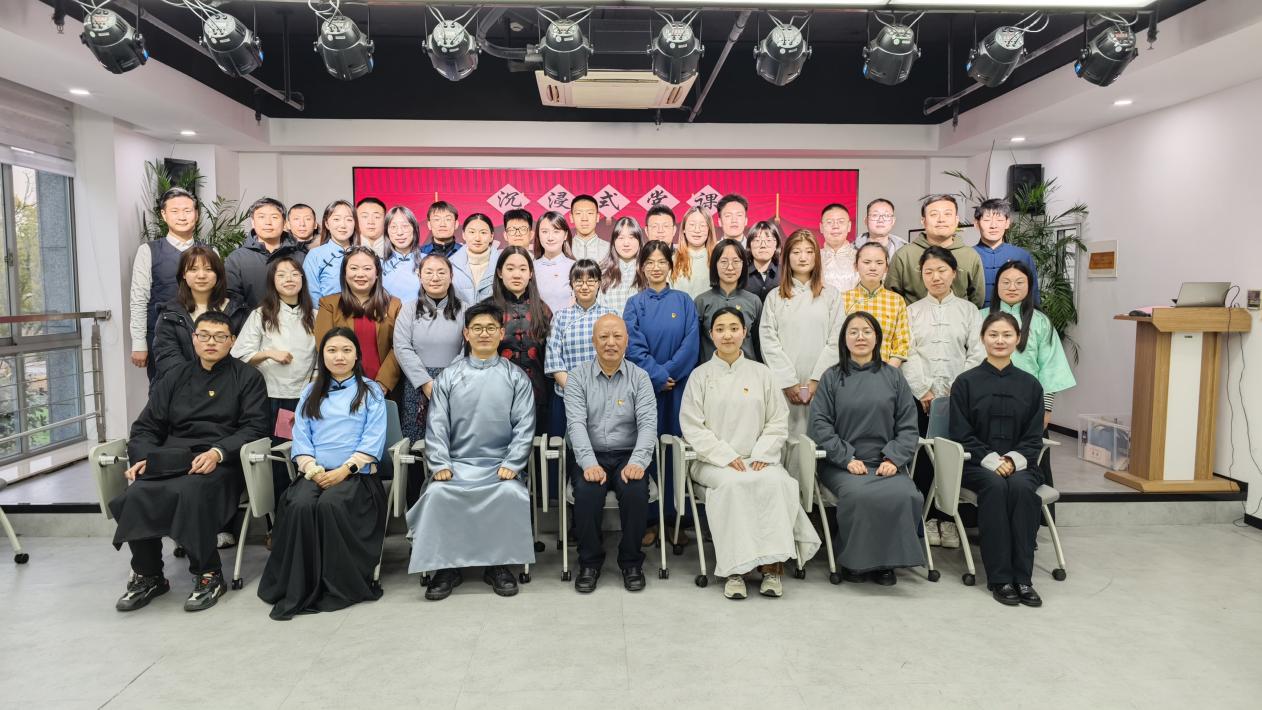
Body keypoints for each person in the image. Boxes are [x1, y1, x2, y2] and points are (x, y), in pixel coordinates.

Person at [110, 311, 269, 613]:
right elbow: (146, 427)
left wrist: (218, 452)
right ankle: (149, 574)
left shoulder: (248, 378)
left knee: (192, 493)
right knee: (136, 494)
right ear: (194, 339)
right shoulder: (174, 377)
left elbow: (255, 428)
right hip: (172, 458)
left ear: (232, 341)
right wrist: (144, 458)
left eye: (220, 336)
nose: (211, 342)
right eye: (204, 335)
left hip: (222, 462)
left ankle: (209, 573)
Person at [679, 308, 820, 600]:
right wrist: (724, 455)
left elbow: (777, 421)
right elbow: (692, 426)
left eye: (734, 328)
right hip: (712, 462)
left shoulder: (762, 373)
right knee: (734, 486)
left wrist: (762, 454)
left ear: (744, 333)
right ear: (711, 335)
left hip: (758, 458)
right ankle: (735, 570)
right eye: (720, 329)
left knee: (777, 482)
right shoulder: (700, 376)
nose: (727, 335)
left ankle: (771, 568)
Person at [406, 302, 536, 600]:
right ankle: (446, 567)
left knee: (509, 493)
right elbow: (436, 424)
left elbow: (525, 425)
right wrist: (440, 463)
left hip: (500, 466)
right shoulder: (448, 377)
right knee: (438, 494)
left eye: (490, 328)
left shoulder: (516, 377)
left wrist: (513, 462)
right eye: (477, 328)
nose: (484, 334)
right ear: (466, 334)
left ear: (501, 333)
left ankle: (498, 565)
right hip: (456, 464)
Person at [257, 327, 388, 620]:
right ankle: (298, 585)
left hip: (356, 475)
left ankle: (338, 585)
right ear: (322, 356)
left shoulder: (371, 391)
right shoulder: (310, 390)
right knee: (300, 504)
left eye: (346, 350)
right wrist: (312, 469)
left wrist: (344, 470)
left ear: (357, 355)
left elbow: (373, 439)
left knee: (331, 505)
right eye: (332, 350)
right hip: (315, 472)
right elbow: (301, 438)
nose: (339, 356)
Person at [809, 311, 924, 585]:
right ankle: (855, 562)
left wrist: (894, 459)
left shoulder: (894, 377)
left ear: (877, 337)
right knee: (859, 495)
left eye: (867, 331)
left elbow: (909, 425)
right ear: (844, 339)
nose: (860, 337)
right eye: (853, 332)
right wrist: (846, 458)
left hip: (885, 463)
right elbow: (820, 424)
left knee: (906, 493)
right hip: (841, 464)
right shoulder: (831, 377)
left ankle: (887, 563)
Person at [949, 312, 1047, 607]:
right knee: (994, 487)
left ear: (1017, 339)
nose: (1000, 341)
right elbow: (960, 433)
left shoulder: (1031, 385)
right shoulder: (965, 382)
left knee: (1021, 488)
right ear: (982, 339)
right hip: (976, 464)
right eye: (993, 335)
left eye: (1007, 335)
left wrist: (1013, 461)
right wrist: (991, 459)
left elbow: (1033, 437)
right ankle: (1000, 578)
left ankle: (1023, 578)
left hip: (1021, 464)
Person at [564, 314, 657, 593]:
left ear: (626, 341)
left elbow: (648, 424)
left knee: (635, 491)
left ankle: (631, 562)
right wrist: (588, 463)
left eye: (617, 336)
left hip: (628, 453)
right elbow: (576, 425)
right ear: (594, 342)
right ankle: (589, 562)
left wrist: (638, 462)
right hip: (590, 453)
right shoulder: (577, 377)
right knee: (588, 492)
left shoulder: (640, 377)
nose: (610, 343)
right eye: (603, 337)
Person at [902, 246, 985, 548]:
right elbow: (906, 352)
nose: (935, 277)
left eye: (941, 271)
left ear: (953, 273)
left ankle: (948, 519)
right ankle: (923, 519)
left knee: (952, 459)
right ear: (921, 275)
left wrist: (957, 389)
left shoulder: (969, 311)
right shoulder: (911, 312)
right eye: (929, 272)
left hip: (958, 401)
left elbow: (977, 352)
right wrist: (922, 389)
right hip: (920, 399)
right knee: (922, 459)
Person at [757, 230, 843, 503]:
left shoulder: (831, 295)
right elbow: (769, 341)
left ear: (817, 257)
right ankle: (786, 500)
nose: (803, 257)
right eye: (796, 252)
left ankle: (818, 503)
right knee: (786, 438)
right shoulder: (775, 297)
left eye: (808, 252)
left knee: (818, 437)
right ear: (786, 257)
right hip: (785, 386)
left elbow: (836, 340)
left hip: (821, 384)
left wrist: (817, 380)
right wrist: (789, 382)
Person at [623, 242, 700, 544]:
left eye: (661, 262)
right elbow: (632, 345)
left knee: (677, 451)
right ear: (641, 267)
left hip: (679, 390)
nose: (655, 267)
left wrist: (670, 373)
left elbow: (691, 343)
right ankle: (648, 519)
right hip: (646, 390)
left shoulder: (684, 301)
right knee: (648, 449)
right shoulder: (634, 304)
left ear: (671, 265)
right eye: (649, 262)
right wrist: (657, 375)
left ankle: (676, 520)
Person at [230, 256, 317, 506]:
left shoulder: (314, 315)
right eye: (281, 275)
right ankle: (277, 518)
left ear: (303, 279)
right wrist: (269, 353)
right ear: (272, 282)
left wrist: (313, 383)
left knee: (304, 458)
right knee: (277, 460)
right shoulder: (261, 315)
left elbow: (321, 357)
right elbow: (239, 355)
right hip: (272, 398)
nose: (289, 279)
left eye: (294, 274)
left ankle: (301, 512)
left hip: (305, 399)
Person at [988, 260, 1076, 490]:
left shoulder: (1041, 321)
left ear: (1029, 286)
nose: (1012, 287)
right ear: (996, 285)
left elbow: (1050, 368)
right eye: (1006, 282)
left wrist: (1046, 409)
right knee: (991, 465)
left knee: (1030, 464)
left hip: (1028, 406)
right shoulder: (980, 317)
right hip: (986, 405)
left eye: (1019, 282)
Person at [393, 253, 466, 503]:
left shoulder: (465, 309)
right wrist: (426, 382)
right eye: (429, 272)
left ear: (451, 276)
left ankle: (452, 504)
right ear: (419, 276)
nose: (435, 278)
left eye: (441, 272)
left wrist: (444, 381)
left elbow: (468, 348)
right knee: (416, 444)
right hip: (417, 386)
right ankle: (417, 507)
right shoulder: (408, 309)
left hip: (456, 384)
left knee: (454, 442)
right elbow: (402, 347)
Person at [130, 188, 202, 381]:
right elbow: (139, 300)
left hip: (203, 338)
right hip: (162, 337)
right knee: (164, 391)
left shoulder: (210, 251)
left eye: (187, 210)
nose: (182, 217)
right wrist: (139, 343)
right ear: (164, 215)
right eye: (175, 211)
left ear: (196, 214)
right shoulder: (148, 251)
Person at [152, 245, 249, 386]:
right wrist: (199, 385)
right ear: (183, 274)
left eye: (208, 269)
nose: (201, 275)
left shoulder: (238, 310)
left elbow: (244, 353)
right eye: (193, 269)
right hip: (182, 388)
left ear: (218, 273)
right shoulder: (170, 313)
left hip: (228, 387)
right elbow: (167, 357)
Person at [314, 246, 402, 395]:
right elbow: (325, 347)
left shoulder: (394, 305)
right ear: (344, 273)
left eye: (367, 268)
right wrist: (346, 382)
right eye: (354, 268)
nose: (360, 274)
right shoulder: (329, 305)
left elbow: (399, 346)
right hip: (341, 386)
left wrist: (383, 383)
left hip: (384, 388)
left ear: (377, 273)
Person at [544, 260, 614, 439]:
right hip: (566, 397)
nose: (584, 286)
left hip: (604, 397)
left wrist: (595, 393)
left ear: (599, 283)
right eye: (578, 281)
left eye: (590, 281)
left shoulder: (610, 316)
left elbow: (617, 357)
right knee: (562, 450)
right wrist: (576, 392)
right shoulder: (561, 317)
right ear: (571, 285)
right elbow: (554, 360)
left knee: (602, 448)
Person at [491, 246, 553, 432]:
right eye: (510, 268)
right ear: (500, 273)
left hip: (538, 398)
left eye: (523, 269)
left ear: (531, 273)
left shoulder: (543, 311)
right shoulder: (487, 310)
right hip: (496, 400)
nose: (517, 274)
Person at [887, 194, 985, 306]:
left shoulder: (970, 255)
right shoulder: (904, 255)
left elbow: (976, 300)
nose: (941, 220)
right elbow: (891, 298)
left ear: (956, 220)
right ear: (923, 221)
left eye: (947, 214)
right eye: (934, 214)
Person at [225, 197, 308, 311]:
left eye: (274, 217)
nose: (268, 222)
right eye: (261, 217)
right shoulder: (237, 259)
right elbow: (231, 300)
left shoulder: (301, 256)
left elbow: (308, 296)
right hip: (250, 321)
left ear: (284, 223)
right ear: (253, 222)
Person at [842, 242, 910, 366]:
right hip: (848, 372)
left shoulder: (896, 301)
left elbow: (902, 344)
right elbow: (836, 341)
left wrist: (887, 373)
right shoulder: (843, 299)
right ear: (856, 266)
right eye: (867, 262)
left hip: (885, 371)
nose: (873, 267)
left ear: (886, 268)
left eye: (879, 263)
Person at [694, 240, 762, 363]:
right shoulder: (701, 302)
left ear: (743, 265)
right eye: (724, 262)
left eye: (736, 261)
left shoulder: (754, 301)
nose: (730, 267)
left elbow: (759, 344)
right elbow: (694, 345)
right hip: (711, 370)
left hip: (746, 370)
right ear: (714, 264)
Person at [973, 198, 1040, 307]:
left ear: (1007, 223)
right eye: (987, 220)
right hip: (975, 316)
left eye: (999, 220)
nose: (993, 226)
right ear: (976, 224)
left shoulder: (1022, 255)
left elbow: (1033, 294)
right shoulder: (969, 255)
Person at [304, 200, 357, 303]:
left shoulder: (363, 255)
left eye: (349, 220)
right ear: (327, 224)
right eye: (336, 219)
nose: (343, 225)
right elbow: (311, 293)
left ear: (355, 224)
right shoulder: (315, 255)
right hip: (325, 312)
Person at [597, 216, 645, 314]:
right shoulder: (602, 271)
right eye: (621, 238)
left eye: (631, 237)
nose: (626, 243)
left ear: (639, 241)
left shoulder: (648, 270)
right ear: (614, 242)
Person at [450, 213, 500, 305]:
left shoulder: (503, 264)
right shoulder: (450, 265)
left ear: (491, 236)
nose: (477, 238)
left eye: (483, 232)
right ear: (464, 235)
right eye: (472, 232)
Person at [533, 211, 576, 314]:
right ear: (538, 235)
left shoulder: (574, 267)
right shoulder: (530, 267)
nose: (550, 238)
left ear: (565, 235)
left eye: (556, 231)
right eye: (544, 232)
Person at [671, 206, 717, 299]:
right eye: (692, 225)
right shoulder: (672, 260)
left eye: (702, 225)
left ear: (709, 229)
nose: (697, 230)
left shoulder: (718, 259)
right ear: (683, 229)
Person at [381, 205, 422, 300]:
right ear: (387, 232)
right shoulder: (378, 265)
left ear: (414, 229)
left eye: (405, 226)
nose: (399, 232)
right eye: (393, 227)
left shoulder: (428, 261)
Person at [819, 204, 859, 293]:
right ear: (821, 227)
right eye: (829, 222)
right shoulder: (813, 258)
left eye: (841, 222)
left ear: (849, 226)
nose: (835, 226)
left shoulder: (860, 257)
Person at [744, 220, 783, 300]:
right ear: (749, 245)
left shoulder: (785, 273)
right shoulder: (740, 274)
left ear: (776, 245)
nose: (763, 245)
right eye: (757, 240)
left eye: (768, 240)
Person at [569, 194, 609, 262]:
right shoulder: (563, 249)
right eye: (578, 213)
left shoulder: (609, 249)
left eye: (590, 213)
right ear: (571, 218)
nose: (584, 218)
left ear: (597, 217)